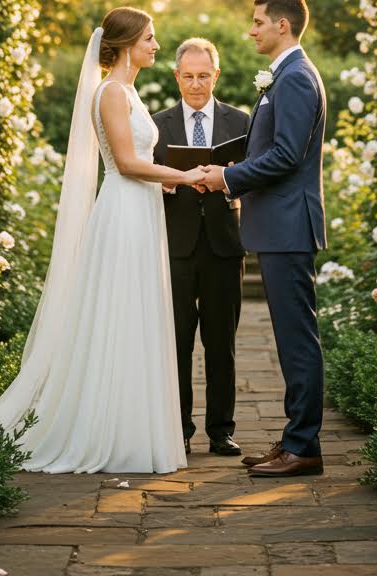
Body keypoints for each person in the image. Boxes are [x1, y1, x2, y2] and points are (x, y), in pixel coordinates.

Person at [0, 7, 207, 473]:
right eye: (150, 39)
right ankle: (106, 430)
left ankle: (133, 428)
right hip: (123, 210)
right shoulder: (112, 92)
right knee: (118, 312)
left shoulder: (129, 91)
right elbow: (128, 162)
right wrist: (185, 174)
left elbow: (140, 161)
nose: (156, 46)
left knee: (136, 314)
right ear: (128, 43)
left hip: (143, 208)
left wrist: (169, 180)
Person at [202, 0, 327, 478]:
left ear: (282, 25)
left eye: (257, 22)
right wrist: (236, 168)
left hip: (288, 226)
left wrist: (228, 178)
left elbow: (287, 155)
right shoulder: (288, 75)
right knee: (290, 338)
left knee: (298, 341)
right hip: (280, 225)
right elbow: (275, 150)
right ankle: (295, 439)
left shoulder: (295, 77)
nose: (250, 30)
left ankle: (304, 447)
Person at [152, 38, 249, 458]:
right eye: (188, 76)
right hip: (175, 244)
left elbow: (257, 176)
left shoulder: (242, 121)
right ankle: (181, 429)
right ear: (176, 76)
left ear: (216, 75)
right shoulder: (156, 125)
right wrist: (166, 182)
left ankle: (221, 430)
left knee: (221, 342)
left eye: (203, 76)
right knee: (175, 342)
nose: (195, 84)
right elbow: (139, 178)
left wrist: (233, 180)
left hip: (225, 246)